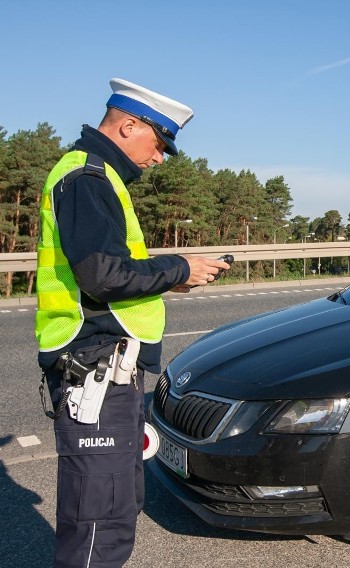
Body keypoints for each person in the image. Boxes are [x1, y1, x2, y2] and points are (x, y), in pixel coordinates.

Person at [35, 78, 231, 568]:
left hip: (105, 370)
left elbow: (109, 274)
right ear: (128, 125)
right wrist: (179, 267)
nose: (160, 157)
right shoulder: (88, 178)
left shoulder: (96, 176)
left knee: (116, 506)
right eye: (160, 143)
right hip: (95, 369)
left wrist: (170, 280)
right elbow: (103, 275)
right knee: (99, 521)